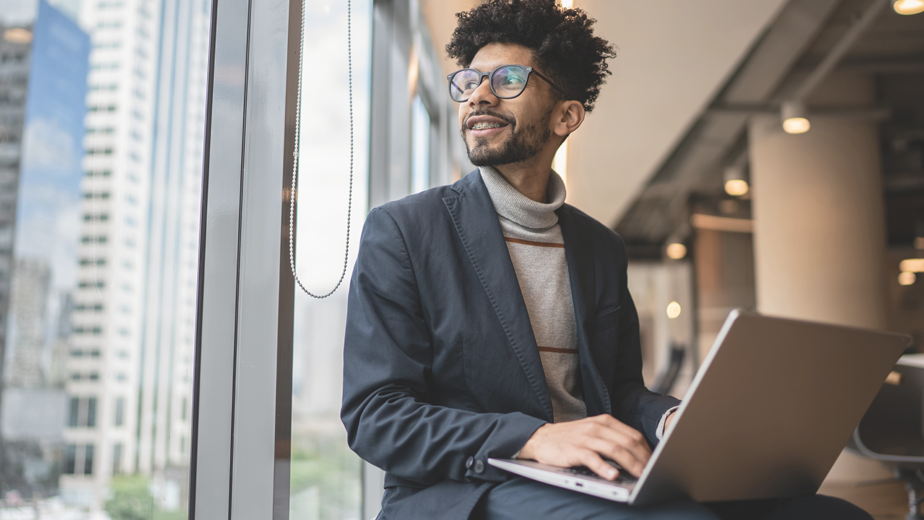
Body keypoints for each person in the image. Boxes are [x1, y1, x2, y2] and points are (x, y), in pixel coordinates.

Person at [341, 1, 872, 518]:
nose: (478, 96)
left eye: (506, 81)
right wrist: (536, 438)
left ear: (566, 115)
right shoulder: (405, 231)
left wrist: (670, 421)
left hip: (591, 477)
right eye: (468, 81)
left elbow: (617, 391)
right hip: (469, 489)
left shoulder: (600, 247)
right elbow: (376, 416)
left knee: (832, 513)